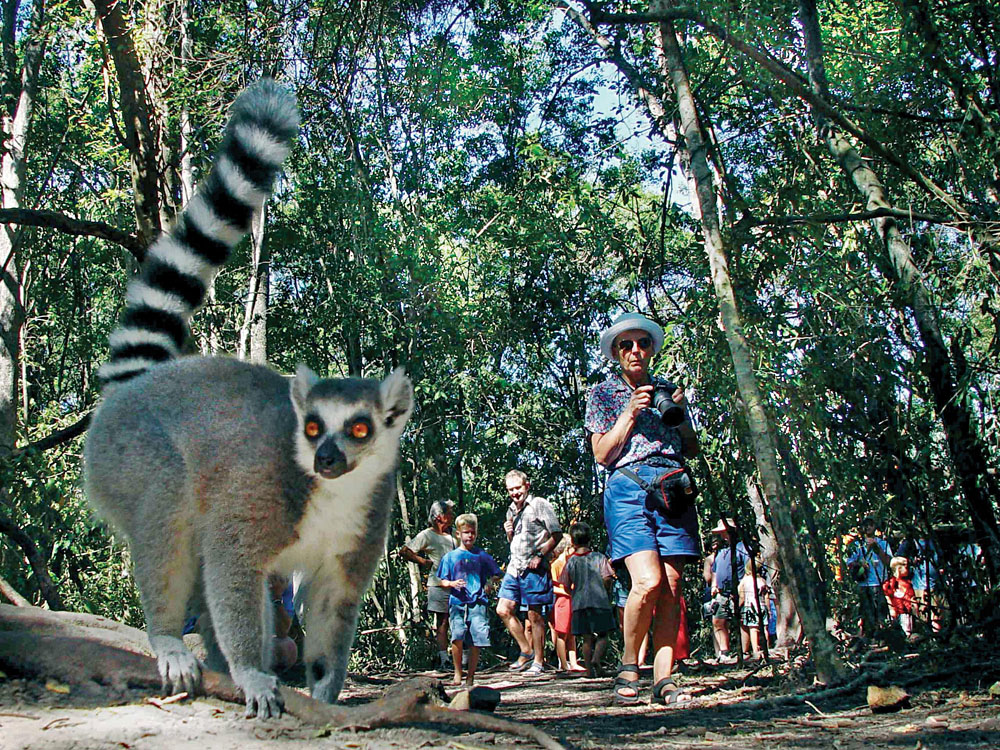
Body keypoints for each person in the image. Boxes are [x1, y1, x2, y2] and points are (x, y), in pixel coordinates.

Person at [585, 313, 700, 705]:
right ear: (616, 353)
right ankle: (629, 665)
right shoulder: (602, 394)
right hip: (628, 487)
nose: (636, 351)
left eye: (643, 344)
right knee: (647, 581)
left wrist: (680, 415)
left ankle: (664, 680)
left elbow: (692, 446)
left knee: (671, 585)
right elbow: (602, 453)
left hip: (673, 485)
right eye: (626, 345)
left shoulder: (667, 389)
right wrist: (630, 413)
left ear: (651, 349)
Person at [496, 470, 563, 676]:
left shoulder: (539, 504)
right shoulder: (511, 510)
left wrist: (541, 555)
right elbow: (514, 542)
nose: (515, 493)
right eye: (511, 490)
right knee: (503, 609)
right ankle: (526, 650)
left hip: (533, 567)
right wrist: (508, 533)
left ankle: (539, 662)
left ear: (527, 485)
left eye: (518, 488)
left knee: (535, 615)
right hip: (515, 566)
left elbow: (557, 533)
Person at [437, 513, 503, 686]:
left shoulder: (481, 556)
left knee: (477, 638)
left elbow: (497, 573)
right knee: (457, 636)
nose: (470, 536)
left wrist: (489, 582)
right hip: (458, 602)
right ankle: (457, 672)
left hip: (477, 603)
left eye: (473, 532)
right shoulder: (450, 557)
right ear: (458, 534)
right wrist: (452, 583)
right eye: (466, 532)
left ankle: (471, 675)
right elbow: (442, 580)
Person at [400, 500, 457, 671]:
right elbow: (405, 550)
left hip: (458, 584)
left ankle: (462, 658)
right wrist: (422, 561)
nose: (452, 516)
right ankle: (444, 659)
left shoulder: (455, 534)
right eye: (449, 513)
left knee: (460, 619)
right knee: (442, 621)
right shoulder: (427, 535)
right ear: (440, 517)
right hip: (438, 585)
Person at [559, 522, 616, 677]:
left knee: (586, 637)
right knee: (603, 634)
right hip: (600, 602)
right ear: (590, 539)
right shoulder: (599, 558)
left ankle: (589, 671)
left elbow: (564, 583)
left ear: (572, 541)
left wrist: (573, 594)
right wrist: (606, 590)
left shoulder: (571, 561)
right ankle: (596, 659)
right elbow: (607, 577)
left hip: (580, 604)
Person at [709, 519, 750, 664]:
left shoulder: (741, 547)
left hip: (738, 590)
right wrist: (714, 585)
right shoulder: (721, 551)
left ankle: (744, 651)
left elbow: (749, 567)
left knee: (742, 620)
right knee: (718, 621)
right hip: (721, 592)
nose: (723, 535)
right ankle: (724, 652)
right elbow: (714, 570)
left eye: (725, 532)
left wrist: (742, 587)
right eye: (721, 533)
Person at [845, 516, 893, 637]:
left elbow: (889, 562)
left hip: (880, 582)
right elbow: (849, 563)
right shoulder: (857, 545)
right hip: (864, 583)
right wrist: (859, 563)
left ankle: (882, 635)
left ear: (875, 526)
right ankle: (870, 636)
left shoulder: (883, 543)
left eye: (870, 525)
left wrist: (877, 549)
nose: (868, 527)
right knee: (867, 612)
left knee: (881, 612)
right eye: (865, 525)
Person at [549, 536, 585, 673]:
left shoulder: (573, 561)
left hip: (573, 600)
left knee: (572, 633)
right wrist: (567, 592)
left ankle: (574, 662)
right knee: (561, 633)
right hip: (562, 600)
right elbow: (552, 585)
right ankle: (563, 663)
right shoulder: (557, 564)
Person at [897, 535, 942, 632]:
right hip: (918, 584)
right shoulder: (910, 543)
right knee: (923, 613)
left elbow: (941, 559)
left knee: (936, 614)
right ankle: (927, 637)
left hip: (935, 583)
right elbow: (898, 560)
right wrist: (910, 562)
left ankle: (937, 636)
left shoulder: (934, 542)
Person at [737, 559, 769, 660]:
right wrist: (768, 609)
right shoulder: (762, 581)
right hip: (762, 606)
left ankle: (756, 651)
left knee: (753, 629)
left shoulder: (745, 580)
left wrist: (738, 607)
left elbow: (742, 595)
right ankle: (766, 649)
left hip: (750, 606)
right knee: (764, 628)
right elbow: (766, 596)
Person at [881, 556, 915, 638]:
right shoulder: (891, 583)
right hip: (896, 611)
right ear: (899, 569)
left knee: (907, 628)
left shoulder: (908, 582)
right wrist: (891, 609)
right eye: (906, 567)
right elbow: (887, 595)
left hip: (906, 611)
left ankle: (908, 640)